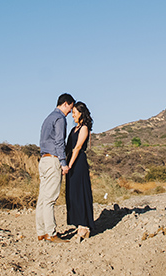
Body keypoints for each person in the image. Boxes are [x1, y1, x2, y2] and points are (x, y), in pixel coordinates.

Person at [36, 93, 75, 243]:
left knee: (42, 199)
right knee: (50, 199)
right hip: (53, 161)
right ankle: (51, 233)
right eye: (70, 108)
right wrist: (63, 163)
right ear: (66, 103)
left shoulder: (48, 118)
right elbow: (59, 142)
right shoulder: (60, 118)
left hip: (43, 160)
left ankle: (41, 232)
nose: (70, 112)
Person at [65, 101, 94, 239]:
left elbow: (77, 147)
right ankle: (77, 221)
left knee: (80, 191)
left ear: (81, 113)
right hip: (70, 160)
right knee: (72, 192)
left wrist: (70, 164)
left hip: (78, 162)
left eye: (75, 113)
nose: (73, 116)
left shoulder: (84, 128)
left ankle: (84, 224)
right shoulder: (73, 129)